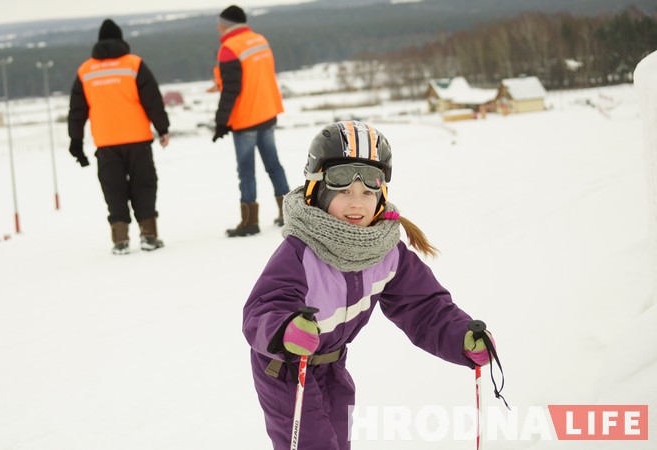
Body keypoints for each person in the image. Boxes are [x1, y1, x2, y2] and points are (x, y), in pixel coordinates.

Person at [242, 120, 496, 450]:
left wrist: (461, 336)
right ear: (317, 190)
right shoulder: (299, 251)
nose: (356, 204)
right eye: (344, 191)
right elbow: (263, 309)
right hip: (287, 369)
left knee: (338, 441)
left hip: (333, 365)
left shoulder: (385, 252)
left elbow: (425, 308)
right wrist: (284, 329)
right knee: (315, 444)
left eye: (367, 193)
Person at [68, 18, 170, 254]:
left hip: (106, 142)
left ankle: (120, 239)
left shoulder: (85, 71)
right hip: (137, 138)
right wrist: (162, 128)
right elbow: (152, 100)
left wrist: (76, 142)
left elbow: (77, 111)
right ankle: (149, 236)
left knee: (113, 189)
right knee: (144, 186)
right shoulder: (134, 64)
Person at [212, 5, 290, 237]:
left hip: (246, 118)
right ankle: (288, 214)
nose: (217, 29)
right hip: (266, 112)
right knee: (274, 165)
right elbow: (254, 77)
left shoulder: (228, 48)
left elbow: (232, 90)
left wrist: (221, 122)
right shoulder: (259, 40)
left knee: (246, 171)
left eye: (219, 25)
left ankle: (249, 221)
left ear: (226, 25)